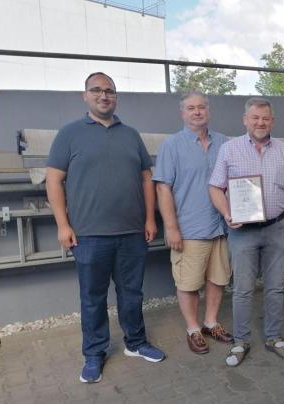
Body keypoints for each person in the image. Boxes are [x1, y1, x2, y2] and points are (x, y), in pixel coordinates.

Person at [46, 72, 165, 384]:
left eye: (109, 91)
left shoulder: (131, 135)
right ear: (85, 95)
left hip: (131, 233)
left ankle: (136, 343)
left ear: (116, 96)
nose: (104, 96)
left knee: (132, 293)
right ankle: (94, 353)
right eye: (96, 90)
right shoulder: (69, 134)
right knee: (92, 297)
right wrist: (63, 224)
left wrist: (150, 219)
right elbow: (54, 180)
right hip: (88, 235)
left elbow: (145, 177)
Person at [208, 97, 284, 367]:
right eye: (255, 117)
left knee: (276, 288)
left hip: (276, 228)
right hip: (243, 232)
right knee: (242, 290)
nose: (260, 122)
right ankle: (241, 341)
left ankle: (274, 337)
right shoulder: (229, 150)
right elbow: (215, 187)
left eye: (265, 118)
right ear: (245, 119)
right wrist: (228, 213)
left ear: (272, 121)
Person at [153, 92, 233, 355]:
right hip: (189, 229)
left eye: (201, 107)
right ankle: (193, 328)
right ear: (182, 113)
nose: (197, 112)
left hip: (221, 227)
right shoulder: (171, 145)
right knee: (188, 283)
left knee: (218, 279)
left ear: (208, 111)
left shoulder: (224, 143)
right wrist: (171, 227)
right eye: (191, 108)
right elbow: (163, 189)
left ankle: (210, 322)